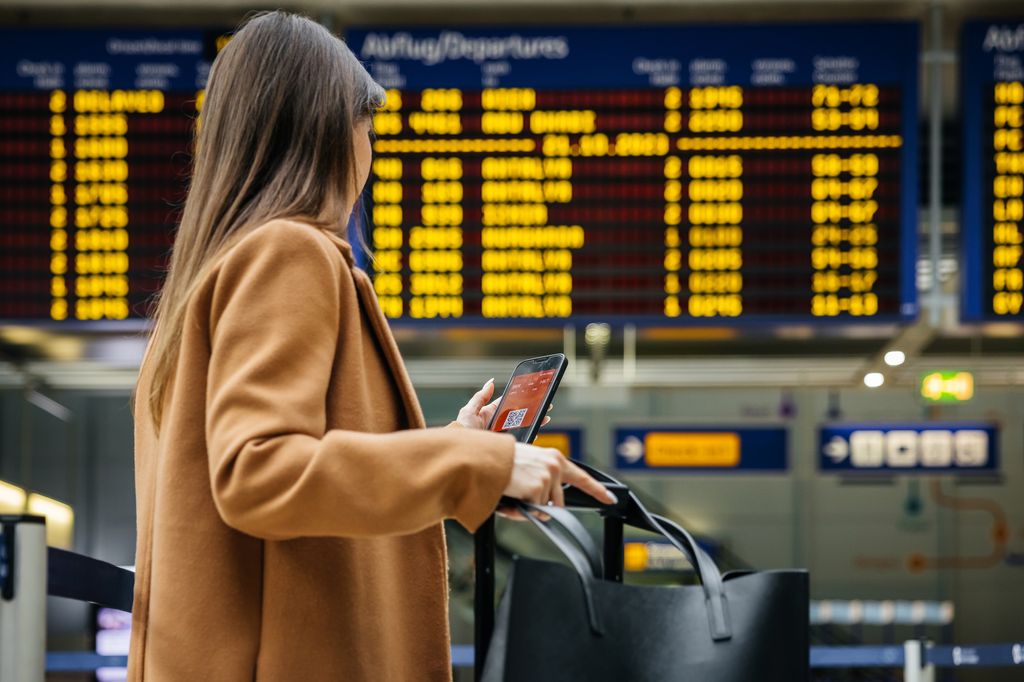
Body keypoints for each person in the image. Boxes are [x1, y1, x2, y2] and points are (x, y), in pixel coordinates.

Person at [128, 10, 615, 681]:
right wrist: (467, 463)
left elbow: (273, 474)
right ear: (328, 132)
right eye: (367, 128)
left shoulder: (205, 281)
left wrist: (451, 446)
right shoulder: (287, 251)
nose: (372, 152)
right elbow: (259, 472)